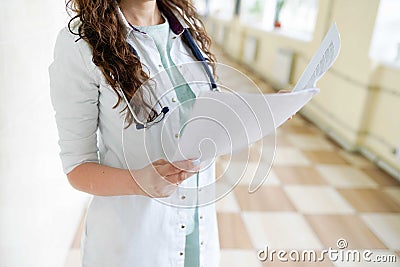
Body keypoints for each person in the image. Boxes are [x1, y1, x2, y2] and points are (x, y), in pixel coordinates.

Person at [49, 0, 220, 266]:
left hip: (199, 235)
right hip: (134, 244)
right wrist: (138, 181)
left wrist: (265, 112)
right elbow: (77, 167)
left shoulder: (186, 28)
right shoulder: (81, 43)